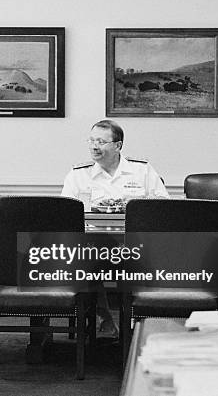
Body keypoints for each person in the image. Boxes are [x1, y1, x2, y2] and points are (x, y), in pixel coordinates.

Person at [61, 119, 169, 336]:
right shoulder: (78, 174)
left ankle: (139, 323)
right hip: (92, 245)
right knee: (85, 262)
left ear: (118, 146)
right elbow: (64, 214)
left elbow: (163, 207)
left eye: (101, 142)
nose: (94, 146)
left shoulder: (142, 171)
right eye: (91, 141)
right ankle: (104, 319)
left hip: (136, 246)